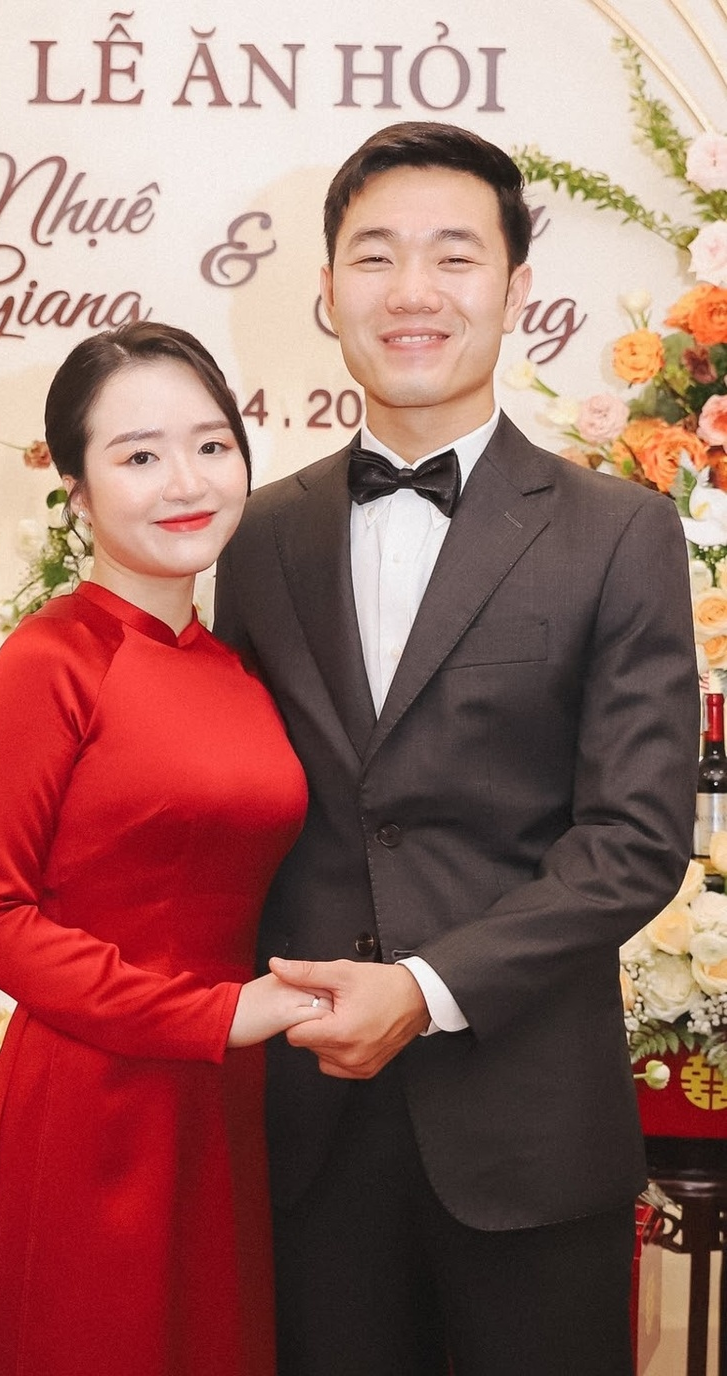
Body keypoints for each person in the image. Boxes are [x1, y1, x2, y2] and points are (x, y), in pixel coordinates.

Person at [214, 122, 700, 1376]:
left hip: (527, 1130)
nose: (412, 291)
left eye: (452, 255)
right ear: (327, 290)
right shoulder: (254, 536)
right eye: (375, 256)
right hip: (308, 1135)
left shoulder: (617, 532)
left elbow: (633, 837)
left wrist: (425, 987)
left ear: (515, 288)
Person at [0, 320, 332, 1376]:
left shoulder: (236, 664)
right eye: (139, 455)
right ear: (75, 489)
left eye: (211, 445)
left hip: (223, 1106)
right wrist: (216, 1014)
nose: (186, 482)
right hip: (91, 1106)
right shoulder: (49, 663)